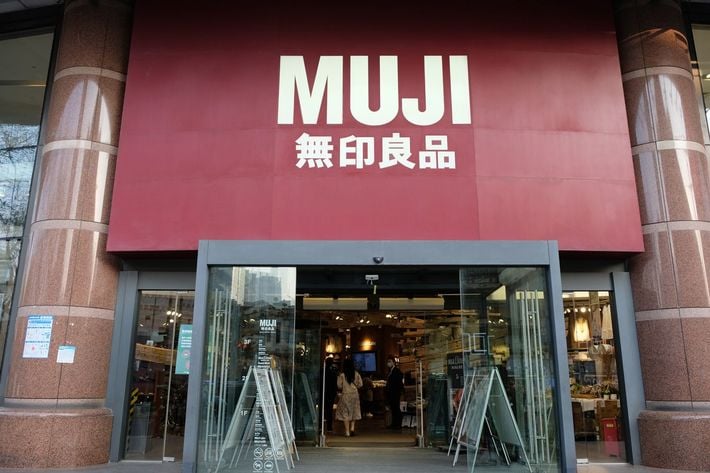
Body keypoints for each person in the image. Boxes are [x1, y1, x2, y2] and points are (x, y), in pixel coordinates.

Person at [335, 358, 363, 437]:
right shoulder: (356, 374)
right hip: (355, 395)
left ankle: (347, 432)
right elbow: (360, 384)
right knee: (354, 411)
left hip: (346, 395)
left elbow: (339, 386)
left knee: (345, 413)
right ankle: (352, 428)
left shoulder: (342, 375)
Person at [385, 355, 404, 430]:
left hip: (395, 392)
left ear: (393, 362)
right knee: (393, 408)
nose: (388, 363)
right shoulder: (390, 371)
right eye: (388, 362)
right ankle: (394, 423)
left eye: (390, 361)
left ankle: (398, 424)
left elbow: (399, 382)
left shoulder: (397, 371)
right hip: (391, 392)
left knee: (396, 408)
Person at [323, 357, 339, 432]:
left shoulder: (322, 371)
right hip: (330, 393)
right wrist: (335, 393)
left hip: (323, 392)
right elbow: (335, 384)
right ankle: (329, 427)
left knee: (322, 409)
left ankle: (320, 426)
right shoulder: (333, 372)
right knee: (329, 410)